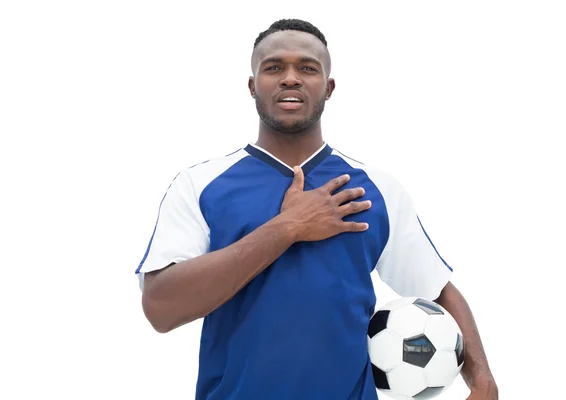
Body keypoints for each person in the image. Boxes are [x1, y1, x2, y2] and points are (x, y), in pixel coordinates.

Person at [135, 18, 498, 400]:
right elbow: (161, 308)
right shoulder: (200, 185)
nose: (290, 78)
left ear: (328, 88)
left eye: (307, 68)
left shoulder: (376, 189)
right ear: (252, 85)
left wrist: (483, 381)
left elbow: (436, 291)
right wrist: (287, 227)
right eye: (273, 67)